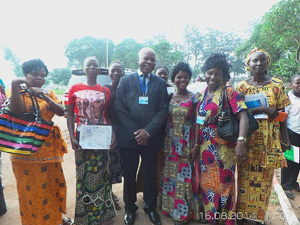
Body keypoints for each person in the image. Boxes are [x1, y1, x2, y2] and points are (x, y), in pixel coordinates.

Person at [8, 59, 69, 225]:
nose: (39, 78)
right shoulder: (17, 93)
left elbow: (61, 111)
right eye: (34, 74)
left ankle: (54, 220)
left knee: (50, 188)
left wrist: (43, 96)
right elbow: (17, 111)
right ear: (25, 75)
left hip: (49, 152)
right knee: (29, 192)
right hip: (24, 154)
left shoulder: (48, 93)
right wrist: (16, 84)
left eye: (42, 75)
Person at [235, 48, 291, 224]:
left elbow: (282, 114)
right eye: (254, 61)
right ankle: (242, 215)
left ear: (267, 62)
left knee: (265, 178)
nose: (258, 64)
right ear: (248, 65)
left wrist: (285, 138)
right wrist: (261, 109)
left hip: (270, 139)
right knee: (245, 177)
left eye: (262, 60)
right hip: (248, 138)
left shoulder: (277, 85)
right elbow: (237, 111)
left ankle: (257, 217)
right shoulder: (242, 87)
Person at [115, 47, 169, 225]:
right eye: (146, 59)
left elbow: (162, 111)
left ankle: (150, 207)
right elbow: (120, 109)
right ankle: (130, 209)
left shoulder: (160, 84)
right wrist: (136, 132)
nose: (150, 62)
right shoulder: (125, 81)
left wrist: (147, 132)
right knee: (129, 174)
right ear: (138, 59)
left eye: (153, 60)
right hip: (130, 139)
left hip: (151, 138)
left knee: (150, 173)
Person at [195, 53, 249, 225]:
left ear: (223, 76)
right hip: (205, 146)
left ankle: (224, 218)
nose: (212, 77)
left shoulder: (229, 92)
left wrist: (241, 140)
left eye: (217, 74)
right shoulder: (202, 95)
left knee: (224, 183)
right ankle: (212, 217)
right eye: (209, 72)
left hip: (224, 146)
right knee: (207, 182)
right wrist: (196, 144)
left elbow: (244, 117)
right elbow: (198, 120)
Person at [67, 57, 116, 225]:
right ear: (84, 68)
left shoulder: (105, 90)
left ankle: (103, 215)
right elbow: (70, 115)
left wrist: (113, 134)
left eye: (95, 64)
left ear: (98, 68)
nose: (92, 67)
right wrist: (72, 137)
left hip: (101, 139)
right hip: (82, 139)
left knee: (102, 175)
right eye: (89, 64)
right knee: (83, 176)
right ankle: (82, 216)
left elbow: (107, 115)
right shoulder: (74, 88)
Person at [160, 62, 201, 225]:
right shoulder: (169, 98)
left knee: (184, 178)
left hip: (186, 143)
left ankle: (182, 213)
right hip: (170, 144)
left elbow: (198, 122)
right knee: (170, 177)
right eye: (179, 77)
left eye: (185, 77)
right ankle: (169, 208)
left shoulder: (194, 98)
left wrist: (196, 145)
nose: (182, 80)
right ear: (174, 79)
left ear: (190, 79)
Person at [104, 60, 125, 210]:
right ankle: (108, 196)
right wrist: (111, 132)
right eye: (113, 70)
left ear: (123, 73)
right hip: (108, 131)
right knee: (108, 164)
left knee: (119, 165)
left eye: (119, 71)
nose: (116, 73)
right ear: (109, 72)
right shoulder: (104, 90)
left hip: (124, 131)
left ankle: (112, 194)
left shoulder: (127, 89)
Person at [281, 74, 300, 199]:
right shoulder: (288, 98)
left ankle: (293, 182)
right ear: (291, 84)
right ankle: (286, 185)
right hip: (292, 133)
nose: (299, 86)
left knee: (298, 161)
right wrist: (285, 138)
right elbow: (283, 119)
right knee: (290, 160)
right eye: (297, 83)